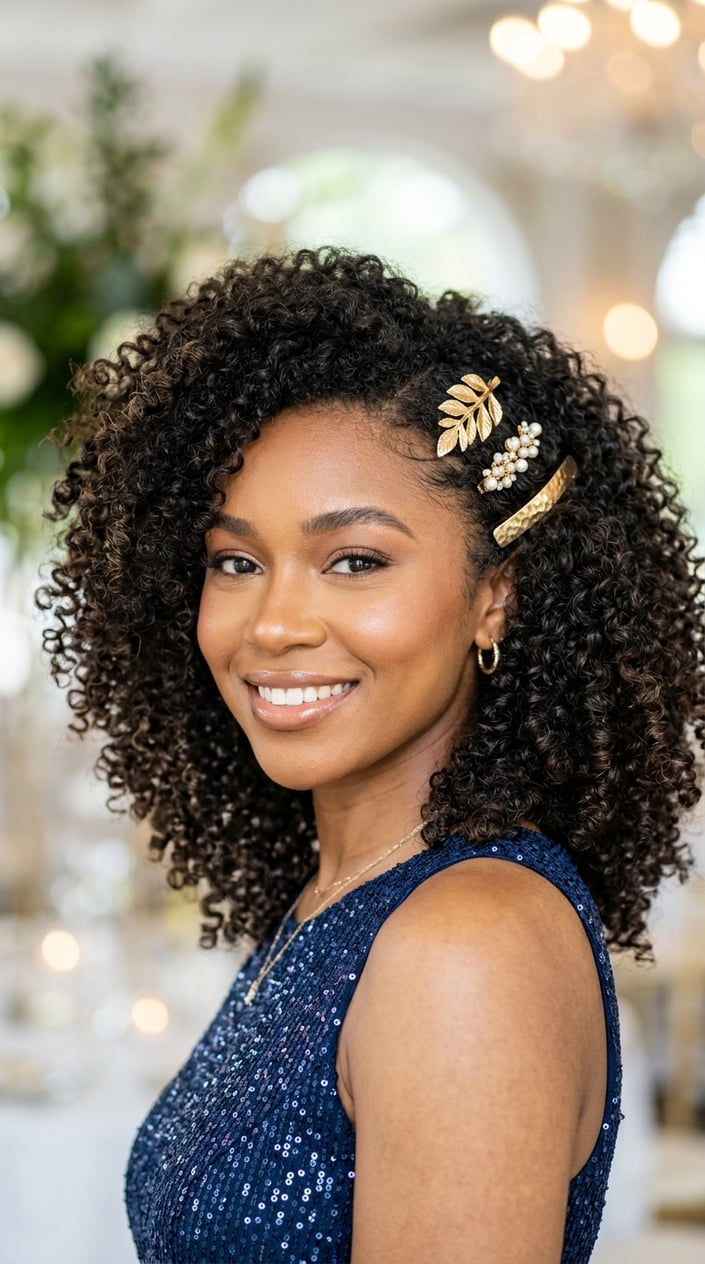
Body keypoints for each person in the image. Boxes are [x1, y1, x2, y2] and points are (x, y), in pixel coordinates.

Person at [40, 247, 705, 1264]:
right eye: (236, 561)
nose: (275, 623)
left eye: (355, 560)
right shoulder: (346, 896)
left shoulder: (467, 945)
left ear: (497, 594)